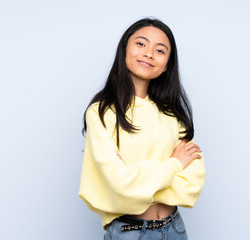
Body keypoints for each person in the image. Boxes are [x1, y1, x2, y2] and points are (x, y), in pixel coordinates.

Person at [78, 17, 206, 240]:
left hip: (175, 228)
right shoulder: (101, 112)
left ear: (167, 64)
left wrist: (138, 184)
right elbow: (120, 185)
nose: (148, 53)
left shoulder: (172, 113)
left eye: (160, 50)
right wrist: (174, 164)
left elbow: (192, 184)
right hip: (130, 232)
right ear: (124, 49)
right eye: (140, 44)